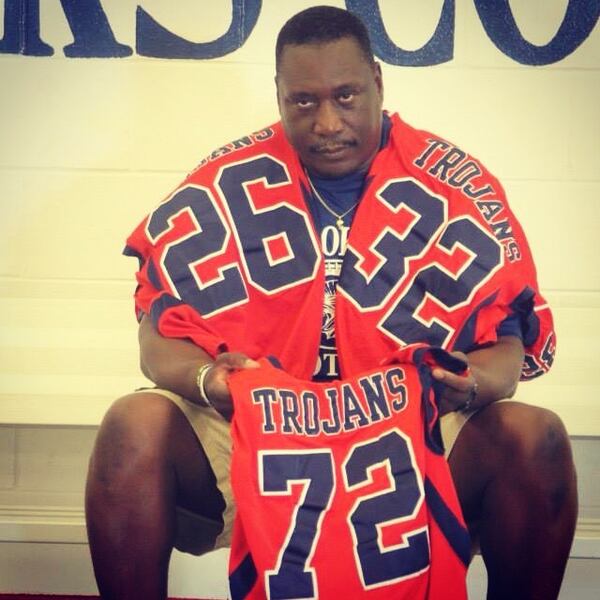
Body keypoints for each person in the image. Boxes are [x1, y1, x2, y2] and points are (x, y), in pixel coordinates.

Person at [85, 6, 577, 600]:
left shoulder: (451, 185)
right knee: (132, 425)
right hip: (262, 434)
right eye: (303, 101)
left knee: (536, 437)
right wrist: (212, 380)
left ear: (378, 81)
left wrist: (469, 385)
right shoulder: (226, 181)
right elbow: (157, 337)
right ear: (279, 95)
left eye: (346, 96)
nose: (326, 122)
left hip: (407, 439)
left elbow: (506, 343)